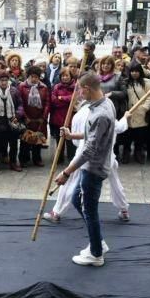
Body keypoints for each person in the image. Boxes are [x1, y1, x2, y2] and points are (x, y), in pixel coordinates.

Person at [53, 72, 116, 266]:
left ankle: (96, 254)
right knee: (75, 200)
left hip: (93, 168)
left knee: (89, 211)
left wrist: (66, 172)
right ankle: (98, 242)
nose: (79, 93)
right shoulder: (104, 104)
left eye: (80, 89)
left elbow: (89, 150)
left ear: (87, 88)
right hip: (91, 166)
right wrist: (72, 136)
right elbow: (92, 136)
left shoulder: (101, 113)